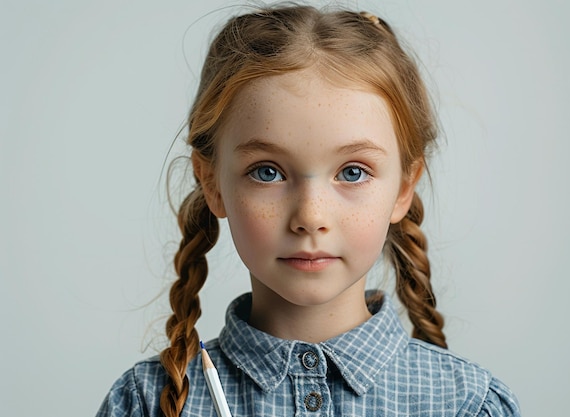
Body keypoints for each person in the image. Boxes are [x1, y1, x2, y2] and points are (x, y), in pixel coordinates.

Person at [96, 4, 521, 417]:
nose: (310, 216)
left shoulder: (468, 405)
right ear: (212, 183)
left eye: (353, 172)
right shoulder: (147, 402)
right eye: (267, 172)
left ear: (403, 188)